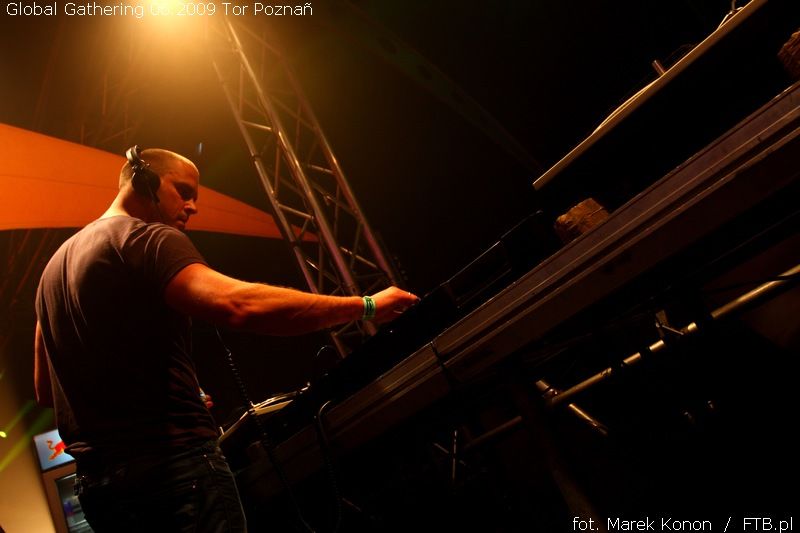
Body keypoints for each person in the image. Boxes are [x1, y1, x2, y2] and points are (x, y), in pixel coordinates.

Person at [33, 147, 419, 532]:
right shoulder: (143, 238)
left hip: (100, 493)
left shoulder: (51, 273)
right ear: (144, 180)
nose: (193, 206)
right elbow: (239, 306)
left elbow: (46, 391)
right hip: (174, 473)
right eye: (183, 191)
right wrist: (367, 305)